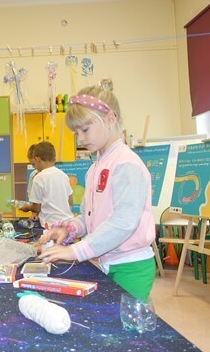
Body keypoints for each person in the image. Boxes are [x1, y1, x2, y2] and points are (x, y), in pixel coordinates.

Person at [38, 79, 156, 301]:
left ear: (110, 119)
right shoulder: (95, 168)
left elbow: (123, 223)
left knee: (128, 321)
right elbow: (89, 217)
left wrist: (75, 251)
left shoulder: (126, 164)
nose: (81, 138)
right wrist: (70, 230)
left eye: (85, 129)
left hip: (131, 266)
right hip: (107, 261)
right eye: (76, 133)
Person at [16, 141, 73, 228]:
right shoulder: (63, 175)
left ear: (37, 159)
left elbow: (36, 208)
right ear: (54, 158)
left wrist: (26, 207)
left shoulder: (39, 178)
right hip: (68, 223)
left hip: (51, 225)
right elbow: (70, 201)